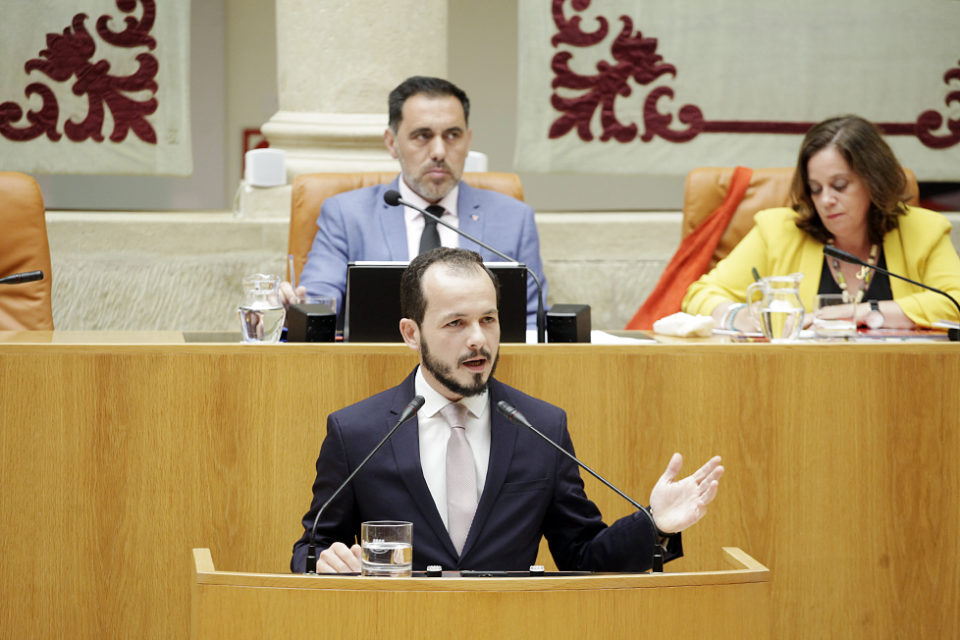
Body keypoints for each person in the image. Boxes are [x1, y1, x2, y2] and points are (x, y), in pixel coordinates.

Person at [291, 247, 723, 573]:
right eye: (456, 323)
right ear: (411, 333)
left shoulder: (541, 426)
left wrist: (655, 524)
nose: (478, 339)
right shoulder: (358, 432)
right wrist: (325, 561)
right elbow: (310, 548)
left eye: (489, 320)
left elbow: (583, 554)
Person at [279, 76, 548, 330]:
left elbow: (533, 324)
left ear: (468, 141)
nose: (439, 152)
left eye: (453, 135)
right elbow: (320, 301)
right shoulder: (347, 215)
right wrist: (300, 308)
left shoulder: (513, 219)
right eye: (423, 136)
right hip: (374, 370)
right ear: (392, 143)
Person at [683, 115, 960, 332]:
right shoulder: (778, 231)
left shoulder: (923, 230)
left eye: (840, 186)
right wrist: (740, 316)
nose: (826, 200)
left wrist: (864, 311)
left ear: (874, 182)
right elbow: (699, 295)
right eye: (815, 189)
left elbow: (955, 301)